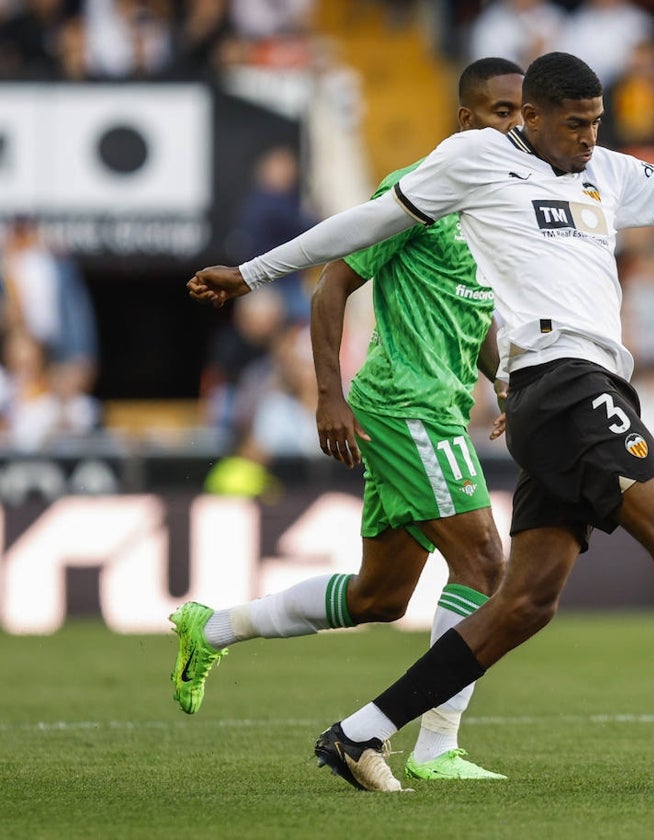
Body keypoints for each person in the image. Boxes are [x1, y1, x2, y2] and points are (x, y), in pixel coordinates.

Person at [188, 51, 654, 791]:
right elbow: (363, 223)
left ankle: (357, 734)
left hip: (578, 390)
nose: (588, 137)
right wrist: (250, 274)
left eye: (596, 122)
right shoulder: (474, 159)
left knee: (524, 603)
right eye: (574, 124)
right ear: (529, 116)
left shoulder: (609, 173)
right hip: (560, 382)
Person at [173, 57, 527, 787]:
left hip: (436, 407)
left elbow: (475, 307)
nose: (515, 125)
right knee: (486, 565)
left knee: (380, 597)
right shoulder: (416, 189)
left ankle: (209, 628)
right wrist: (327, 396)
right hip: (406, 404)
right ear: (466, 121)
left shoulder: (497, 202)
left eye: (522, 113)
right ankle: (436, 748)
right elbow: (331, 288)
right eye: (500, 112)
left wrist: (501, 379)